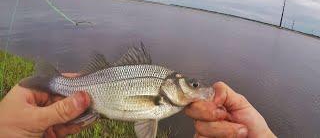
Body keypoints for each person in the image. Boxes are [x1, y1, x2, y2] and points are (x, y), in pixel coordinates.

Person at [0, 74, 275, 138]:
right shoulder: (161, 99)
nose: (197, 90)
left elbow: (147, 121)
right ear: (171, 84)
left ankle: (49, 79)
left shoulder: (164, 101)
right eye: (192, 85)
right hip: (92, 96)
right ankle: (50, 79)